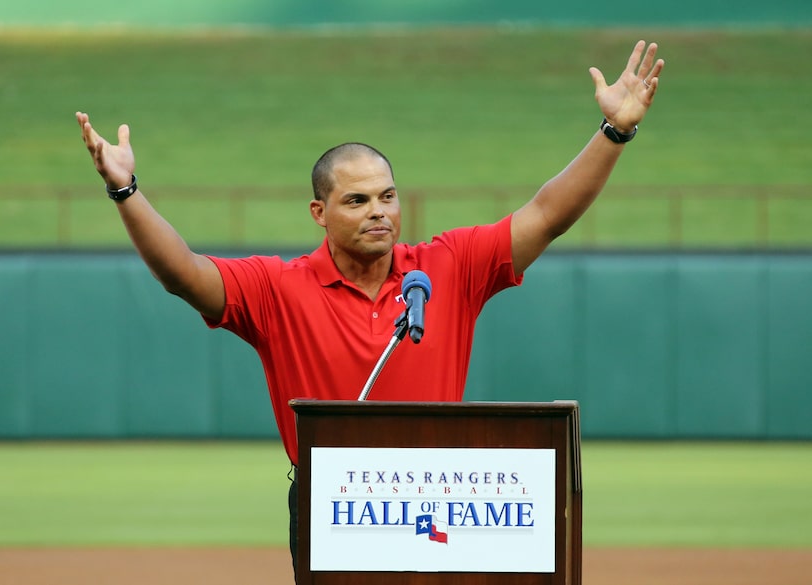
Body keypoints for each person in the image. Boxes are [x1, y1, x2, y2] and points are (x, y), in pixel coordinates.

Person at [76, 39, 663, 577]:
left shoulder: (448, 266)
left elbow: (545, 214)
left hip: (441, 501)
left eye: (387, 196)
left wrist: (613, 132)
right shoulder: (275, 288)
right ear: (319, 213)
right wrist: (125, 191)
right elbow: (183, 274)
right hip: (335, 506)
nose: (378, 211)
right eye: (356, 201)